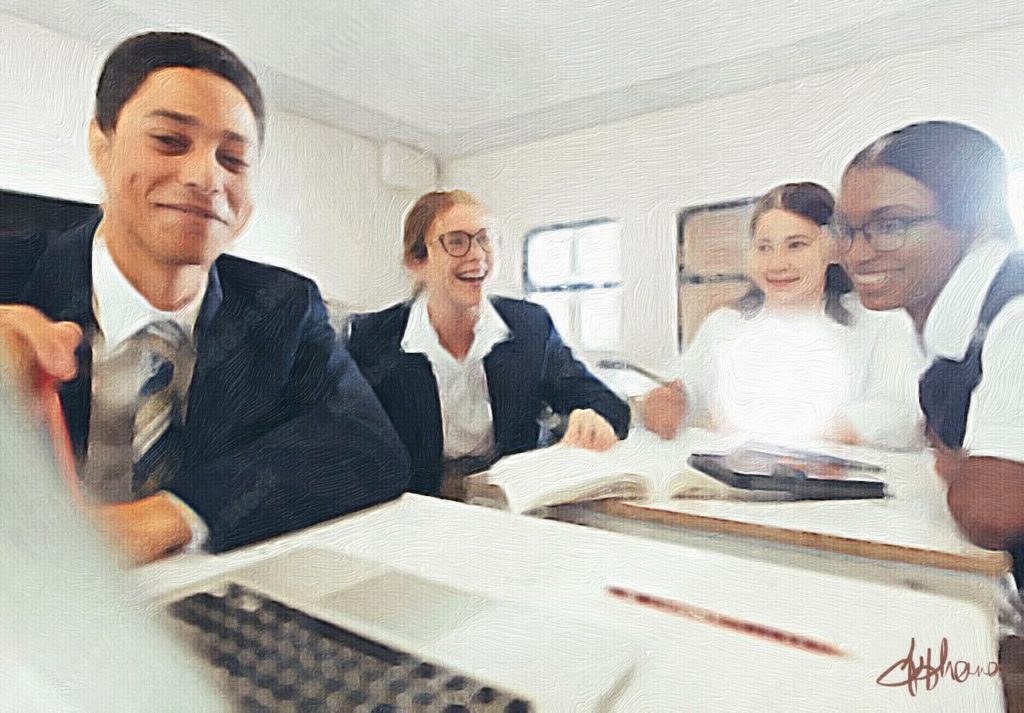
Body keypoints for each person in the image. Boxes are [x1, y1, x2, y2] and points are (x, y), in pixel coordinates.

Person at [0, 32, 410, 564]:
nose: (205, 177)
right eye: (170, 140)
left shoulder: (283, 304)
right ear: (101, 146)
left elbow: (368, 446)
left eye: (233, 159)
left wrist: (166, 516)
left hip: (204, 603)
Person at [348, 190, 630, 498]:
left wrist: (592, 418)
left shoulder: (529, 326)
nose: (478, 255)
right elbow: (347, 443)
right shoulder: (372, 338)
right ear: (417, 262)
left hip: (512, 498)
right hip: (415, 504)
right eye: (456, 241)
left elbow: (608, 405)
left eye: (485, 239)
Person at [835, 121, 1024, 576]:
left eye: (891, 224)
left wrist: (961, 471)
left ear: (976, 222)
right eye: (847, 229)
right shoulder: (948, 325)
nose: (857, 255)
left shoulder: (1014, 311)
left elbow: (990, 512)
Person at [644, 182, 923, 447]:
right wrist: (673, 400)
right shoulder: (725, 324)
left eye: (796, 245)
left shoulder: (881, 321)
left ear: (834, 248)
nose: (777, 264)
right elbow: (687, 382)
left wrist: (804, 427)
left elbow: (901, 415)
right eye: (764, 247)